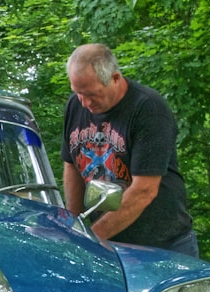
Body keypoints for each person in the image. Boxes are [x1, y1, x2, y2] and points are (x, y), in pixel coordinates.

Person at [61, 43, 198, 257]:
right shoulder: (75, 105)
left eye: (92, 94)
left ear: (115, 78)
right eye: (78, 93)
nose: (85, 103)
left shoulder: (148, 110)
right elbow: (71, 164)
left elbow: (144, 191)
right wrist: (73, 225)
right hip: (107, 244)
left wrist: (88, 240)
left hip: (161, 247)